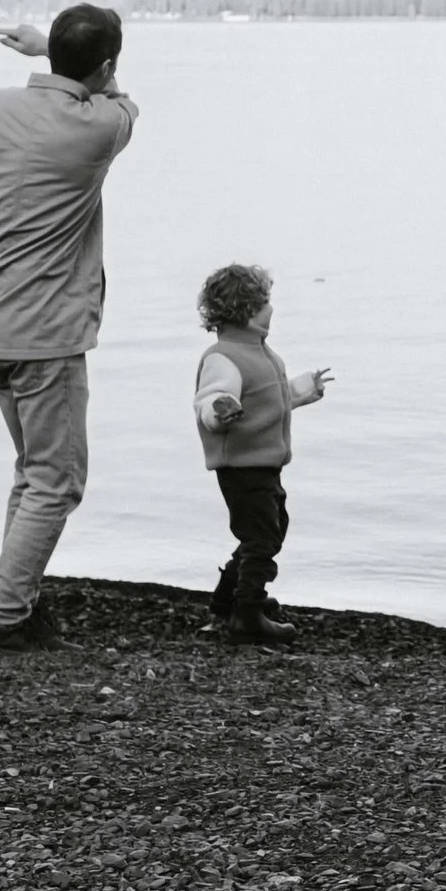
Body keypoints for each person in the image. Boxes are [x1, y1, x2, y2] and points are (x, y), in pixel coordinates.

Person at [0, 6, 137, 652]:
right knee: (57, 479)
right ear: (104, 64)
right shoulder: (102, 126)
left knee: (33, 468)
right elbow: (118, 96)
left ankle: (16, 602)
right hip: (48, 336)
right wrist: (60, 55)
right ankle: (5, 618)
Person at [192, 264, 333, 647]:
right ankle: (247, 613)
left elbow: (271, 397)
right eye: (265, 302)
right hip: (242, 465)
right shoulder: (224, 357)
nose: (271, 308)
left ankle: (229, 600)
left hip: (263, 463)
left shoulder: (258, 353)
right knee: (262, 537)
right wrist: (219, 409)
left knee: (270, 528)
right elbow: (210, 399)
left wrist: (305, 389)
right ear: (247, 310)